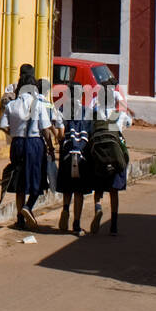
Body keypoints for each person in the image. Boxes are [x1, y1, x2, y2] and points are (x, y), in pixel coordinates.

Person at [0, 65, 55, 231]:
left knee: (20, 181)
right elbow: (45, 129)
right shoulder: (38, 105)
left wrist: (15, 131)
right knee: (38, 179)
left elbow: (2, 125)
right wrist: (50, 147)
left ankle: (19, 219)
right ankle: (28, 207)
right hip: (35, 144)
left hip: (17, 144)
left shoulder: (11, 105)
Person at [89, 92, 131, 237]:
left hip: (99, 157)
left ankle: (98, 207)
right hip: (115, 157)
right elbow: (130, 123)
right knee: (114, 192)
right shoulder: (118, 114)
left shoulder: (96, 115)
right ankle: (113, 225)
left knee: (98, 189)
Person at [56, 95, 94, 235]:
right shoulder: (87, 112)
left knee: (67, 187)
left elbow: (60, 135)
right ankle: (76, 224)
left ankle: (65, 209)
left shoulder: (61, 110)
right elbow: (90, 134)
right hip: (82, 156)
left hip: (66, 155)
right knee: (79, 191)